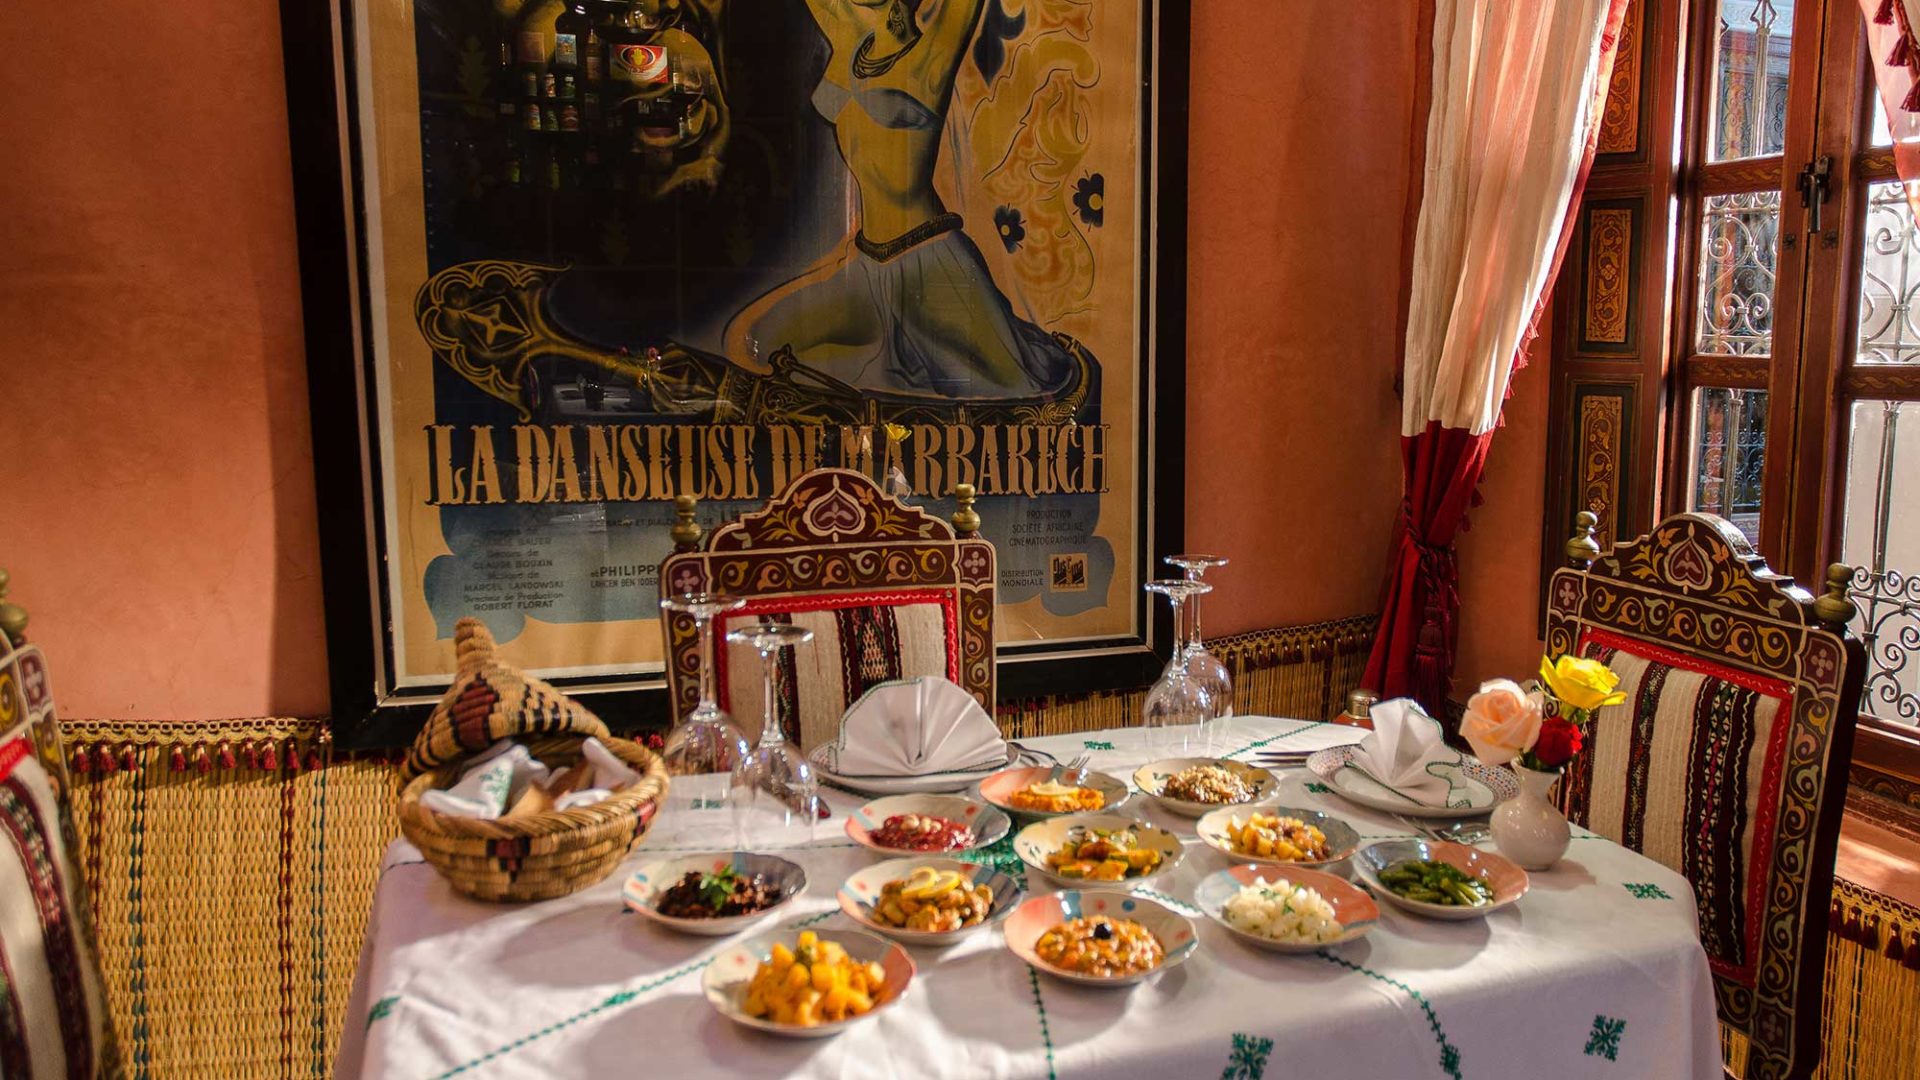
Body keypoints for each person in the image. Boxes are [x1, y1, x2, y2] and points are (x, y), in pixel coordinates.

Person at [723, 0, 1078, 401]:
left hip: (930, 267)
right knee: (749, 339)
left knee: (1012, 390)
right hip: (865, 267)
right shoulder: (848, 31)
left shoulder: (934, 54)